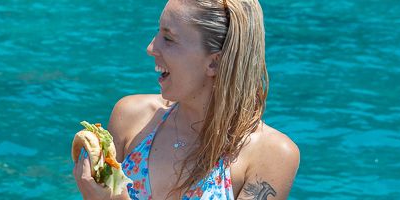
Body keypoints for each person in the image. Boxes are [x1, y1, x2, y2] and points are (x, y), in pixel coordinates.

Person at [73, 0, 299, 199]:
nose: (151, 47)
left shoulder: (271, 155)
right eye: (158, 33)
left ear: (215, 63)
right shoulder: (132, 117)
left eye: (168, 38)